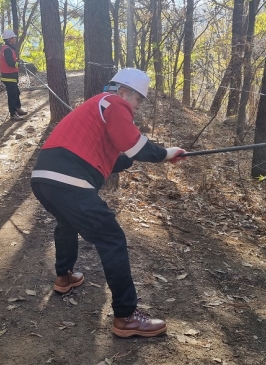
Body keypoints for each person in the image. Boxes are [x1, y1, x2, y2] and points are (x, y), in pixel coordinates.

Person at [30, 68, 186, 338]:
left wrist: (140, 157)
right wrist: (165, 153)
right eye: (138, 100)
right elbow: (136, 145)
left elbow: (112, 157)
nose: (137, 106)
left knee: (67, 222)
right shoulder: (114, 102)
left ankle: (64, 276)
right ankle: (126, 316)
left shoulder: (96, 107)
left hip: (44, 177)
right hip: (70, 180)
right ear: (124, 92)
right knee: (112, 239)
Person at [0, 29, 27, 121]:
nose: (15, 39)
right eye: (13, 38)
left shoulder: (9, 49)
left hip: (11, 76)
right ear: (9, 39)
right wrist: (19, 65)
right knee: (12, 95)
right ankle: (13, 113)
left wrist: (18, 62)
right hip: (8, 77)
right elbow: (10, 63)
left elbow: (12, 60)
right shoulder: (7, 49)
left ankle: (18, 108)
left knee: (16, 93)